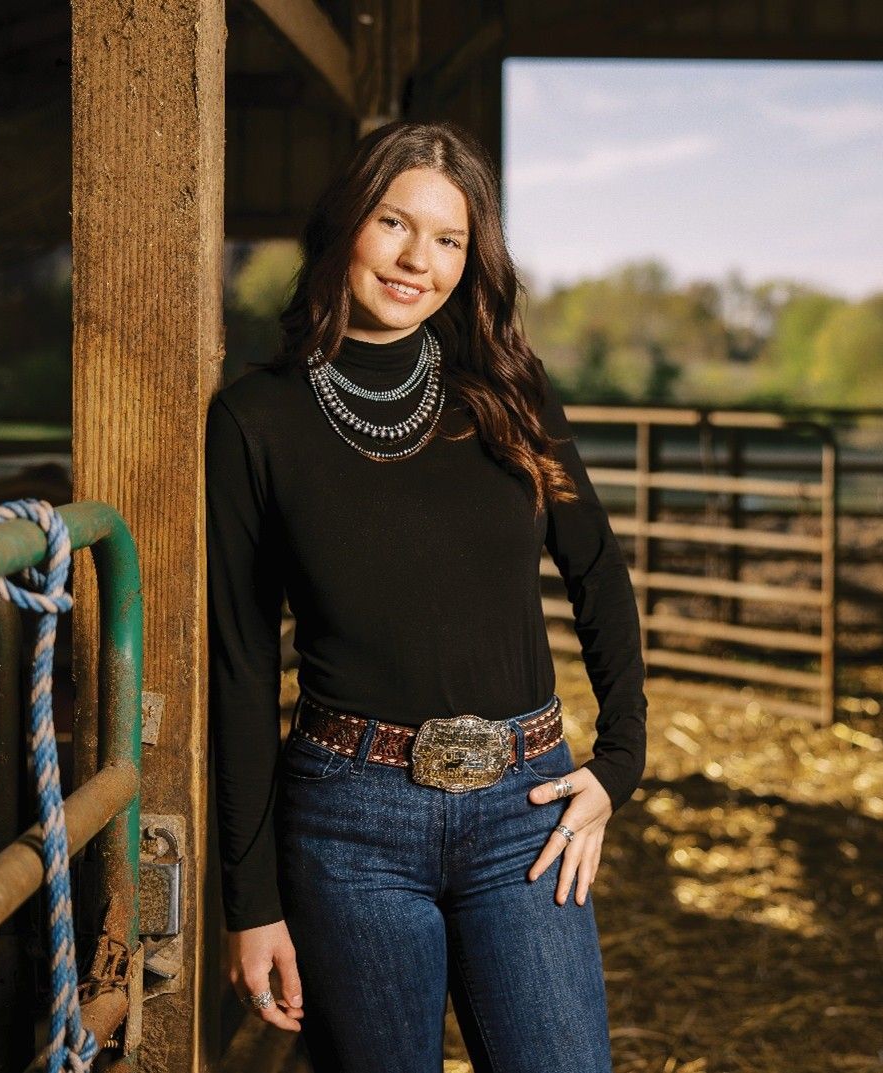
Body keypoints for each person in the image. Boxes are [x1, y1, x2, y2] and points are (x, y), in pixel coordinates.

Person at [205, 119, 648, 1072]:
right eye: (394, 224)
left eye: (449, 240)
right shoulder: (255, 418)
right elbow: (241, 668)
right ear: (343, 228)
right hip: (349, 825)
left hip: (527, 810)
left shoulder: (508, 391)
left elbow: (599, 571)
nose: (419, 260)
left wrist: (620, 762)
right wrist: (252, 905)